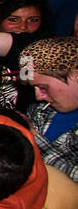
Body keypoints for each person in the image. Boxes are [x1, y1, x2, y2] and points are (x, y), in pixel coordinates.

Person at [18, 37, 78, 181]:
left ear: (75, 75)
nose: (38, 96)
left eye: (43, 87)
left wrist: (33, 138)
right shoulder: (41, 110)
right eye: (34, 88)